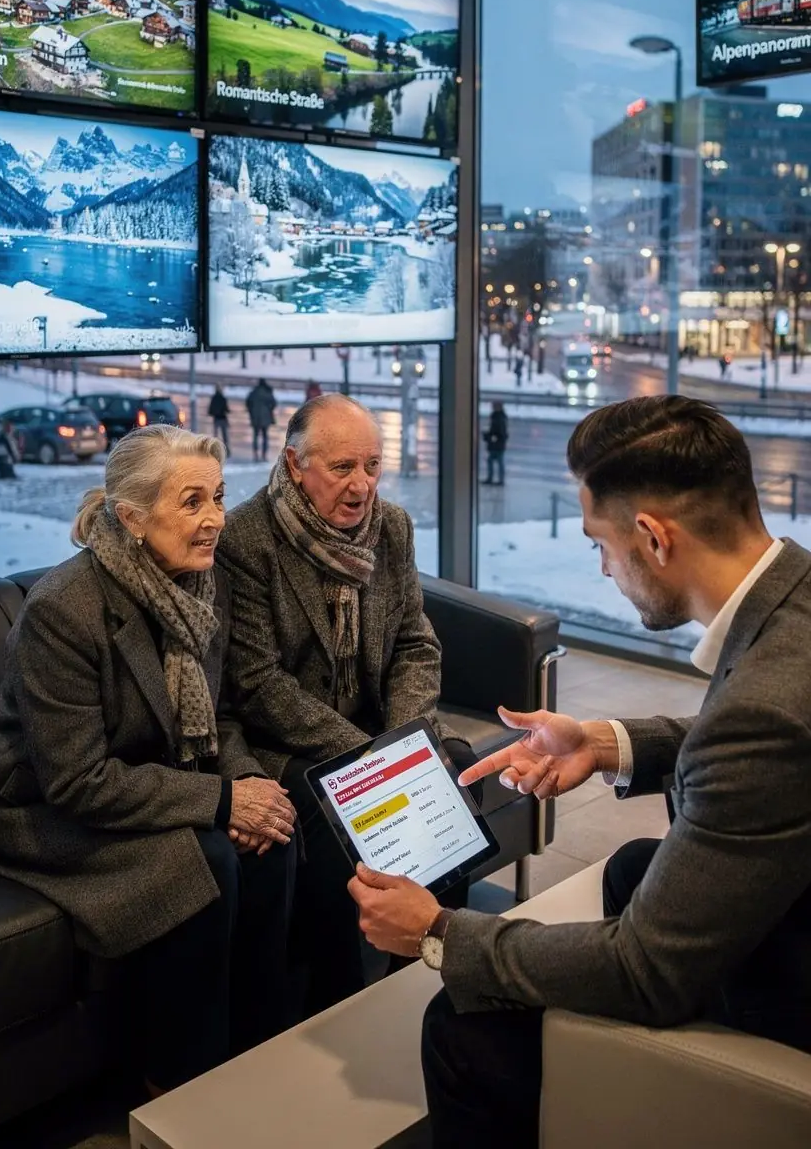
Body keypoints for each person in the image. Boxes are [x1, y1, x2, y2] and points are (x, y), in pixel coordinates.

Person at [347, 396, 811, 1148]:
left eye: (601, 543)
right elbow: (767, 752)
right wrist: (602, 743)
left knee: (463, 1027)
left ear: (653, 538)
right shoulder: (796, 602)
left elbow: (644, 970)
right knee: (631, 868)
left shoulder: (763, 707)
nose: (603, 567)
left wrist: (438, 932)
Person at [0, 425, 297, 1094]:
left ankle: (262, 1053)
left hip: (152, 781)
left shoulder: (201, 584)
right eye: (192, 502)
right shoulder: (64, 611)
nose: (215, 519)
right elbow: (77, 781)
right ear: (131, 518)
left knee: (273, 838)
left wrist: (246, 779)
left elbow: (218, 715)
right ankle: (182, 1084)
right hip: (45, 810)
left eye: (218, 497)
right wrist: (223, 801)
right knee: (206, 857)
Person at [218, 394, 476, 1015]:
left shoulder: (393, 528)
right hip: (288, 742)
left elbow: (415, 643)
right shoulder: (246, 540)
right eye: (342, 468)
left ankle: (430, 973)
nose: (362, 486)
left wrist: (407, 741)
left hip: (377, 725)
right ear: (295, 464)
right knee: (338, 806)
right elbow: (258, 684)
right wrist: (372, 758)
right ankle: (337, 1003)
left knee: (456, 772)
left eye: (372, 465)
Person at [245, 378, 276, 461]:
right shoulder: (268, 393)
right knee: (265, 436)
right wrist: (269, 409)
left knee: (255, 436)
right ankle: (264, 455)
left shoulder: (253, 392)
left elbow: (248, 403)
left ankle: (255, 454)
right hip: (266, 418)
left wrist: (251, 411)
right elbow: (274, 403)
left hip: (255, 418)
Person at [483, 401, 508, 485]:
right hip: (498, 443)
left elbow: (498, 432)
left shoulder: (498, 418)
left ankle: (494, 479)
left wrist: (490, 437)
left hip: (497, 443)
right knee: (496, 461)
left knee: (494, 460)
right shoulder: (499, 417)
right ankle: (498, 479)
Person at [208, 385, 230, 451]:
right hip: (223, 418)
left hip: (216, 419)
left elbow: (210, 410)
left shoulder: (213, 398)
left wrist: (213, 413)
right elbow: (226, 409)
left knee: (216, 435)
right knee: (224, 435)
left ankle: (215, 448)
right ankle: (226, 449)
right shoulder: (223, 398)